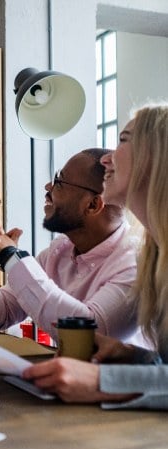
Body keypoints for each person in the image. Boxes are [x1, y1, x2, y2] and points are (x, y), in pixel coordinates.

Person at [22, 103, 168, 409]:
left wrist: (103, 382)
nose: (106, 158)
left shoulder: (135, 257)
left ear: (156, 156)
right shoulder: (156, 257)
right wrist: (137, 358)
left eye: (124, 140)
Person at [0, 148, 140, 343]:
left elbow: (87, 336)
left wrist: (11, 257)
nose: (48, 187)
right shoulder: (58, 252)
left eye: (59, 182)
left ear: (92, 205)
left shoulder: (136, 263)